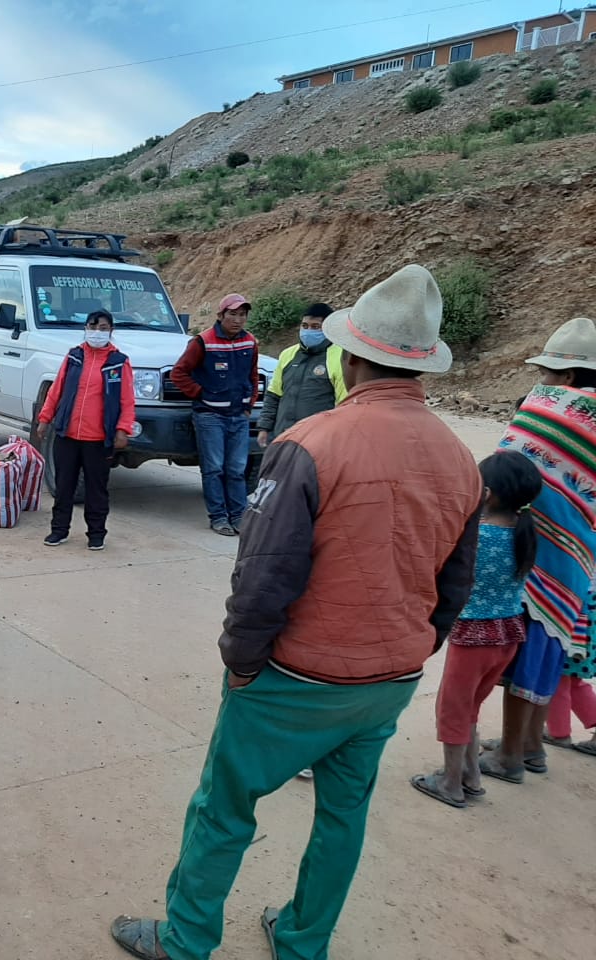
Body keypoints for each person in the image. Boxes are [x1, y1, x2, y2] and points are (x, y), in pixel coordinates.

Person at [111, 264, 481, 960]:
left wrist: (243, 665)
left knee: (223, 809)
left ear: (347, 355)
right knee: (343, 817)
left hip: (295, 676)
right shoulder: (462, 459)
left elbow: (263, 578)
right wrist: (409, 649)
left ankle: (187, 940)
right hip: (388, 680)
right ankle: (303, 941)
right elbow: (453, 585)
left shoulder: (310, 444)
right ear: (423, 368)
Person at [481, 317, 596, 782]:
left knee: (523, 646)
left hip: (535, 549)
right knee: (550, 647)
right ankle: (530, 747)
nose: (541, 380)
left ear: (566, 377)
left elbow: (504, 467)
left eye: (547, 371)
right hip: (579, 553)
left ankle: (509, 756)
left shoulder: (546, 408)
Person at [411, 451, 540, 807]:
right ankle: (470, 774)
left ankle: (451, 782)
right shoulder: (525, 532)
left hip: (473, 636)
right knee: (470, 707)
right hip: (509, 633)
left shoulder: (478, 536)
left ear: (489, 494)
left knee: (452, 709)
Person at [34, 309, 135, 551]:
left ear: (111, 331)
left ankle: (96, 534)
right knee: (63, 485)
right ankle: (59, 530)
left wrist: (123, 429)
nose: (97, 332)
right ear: (85, 328)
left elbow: (127, 399)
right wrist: (45, 418)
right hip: (67, 435)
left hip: (98, 439)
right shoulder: (74, 356)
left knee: (96, 489)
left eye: (103, 328)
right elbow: (56, 390)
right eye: (93, 327)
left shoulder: (119, 362)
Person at [170, 293, 259, 536]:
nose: (238, 320)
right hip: (210, 416)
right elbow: (178, 373)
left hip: (239, 416)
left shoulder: (250, 342)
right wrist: (201, 393)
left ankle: (239, 517)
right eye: (232, 314)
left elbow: (253, 375)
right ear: (221, 316)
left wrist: (249, 403)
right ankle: (219, 517)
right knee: (214, 469)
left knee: (237, 469)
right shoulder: (203, 342)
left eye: (242, 315)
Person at [256, 302, 345, 448]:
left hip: (318, 441)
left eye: (315, 327)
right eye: (305, 326)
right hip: (284, 436)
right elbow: (274, 395)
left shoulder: (340, 356)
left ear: (328, 328)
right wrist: (264, 428)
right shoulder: (287, 354)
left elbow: (344, 403)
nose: (308, 331)